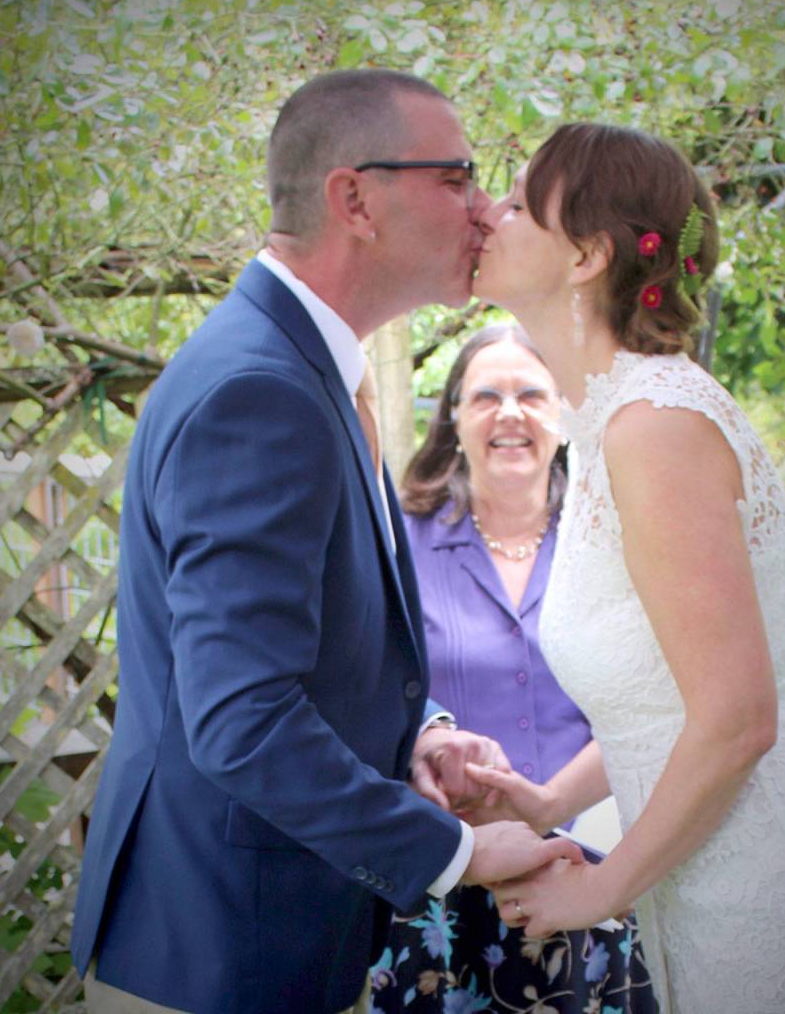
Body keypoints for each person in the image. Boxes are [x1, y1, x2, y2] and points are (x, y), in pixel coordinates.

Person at [68, 70, 582, 1014]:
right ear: (356, 199)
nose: (482, 208)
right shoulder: (256, 390)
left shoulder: (304, 369)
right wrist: (458, 852)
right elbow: (241, 715)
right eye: (458, 176)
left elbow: (306, 654)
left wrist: (416, 734)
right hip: (221, 956)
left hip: (263, 944)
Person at [464, 123, 785, 1014]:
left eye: (516, 202)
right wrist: (549, 799)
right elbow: (670, 691)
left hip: (776, 877)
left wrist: (600, 889)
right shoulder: (604, 424)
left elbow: (738, 718)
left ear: (588, 254)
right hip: (706, 873)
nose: (487, 214)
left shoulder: (655, 428)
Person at [369, 324, 655, 1013]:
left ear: (561, 414)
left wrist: (562, 804)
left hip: (589, 870)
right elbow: (370, 686)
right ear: (455, 422)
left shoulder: (613, 545)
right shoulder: (399, 541)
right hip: (447, 880)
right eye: (485, 396)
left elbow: (647, 699)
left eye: (530, 393)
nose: (509, 412)